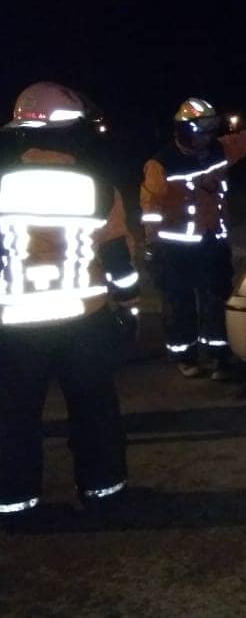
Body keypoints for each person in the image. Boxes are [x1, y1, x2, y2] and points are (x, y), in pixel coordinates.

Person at [0, 82, 140, 527]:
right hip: (84, 324)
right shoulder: (98, 188)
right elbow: (118, 262)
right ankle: (103, 493)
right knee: (94, 411)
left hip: (14, 329)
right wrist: (129, 307)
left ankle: (15, 503)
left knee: (14, 418)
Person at [140, 98, 246, 380]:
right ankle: (185, 356)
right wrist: (153, 244)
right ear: (184, 130)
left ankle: (219, 356)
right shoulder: (161, 163)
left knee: (217, 297)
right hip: (174, 247)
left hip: (211, 242)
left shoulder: (219, 150)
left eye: (210, 130)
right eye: (201, 131)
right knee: (179, 303)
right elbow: (150, 206)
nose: (207, 138)